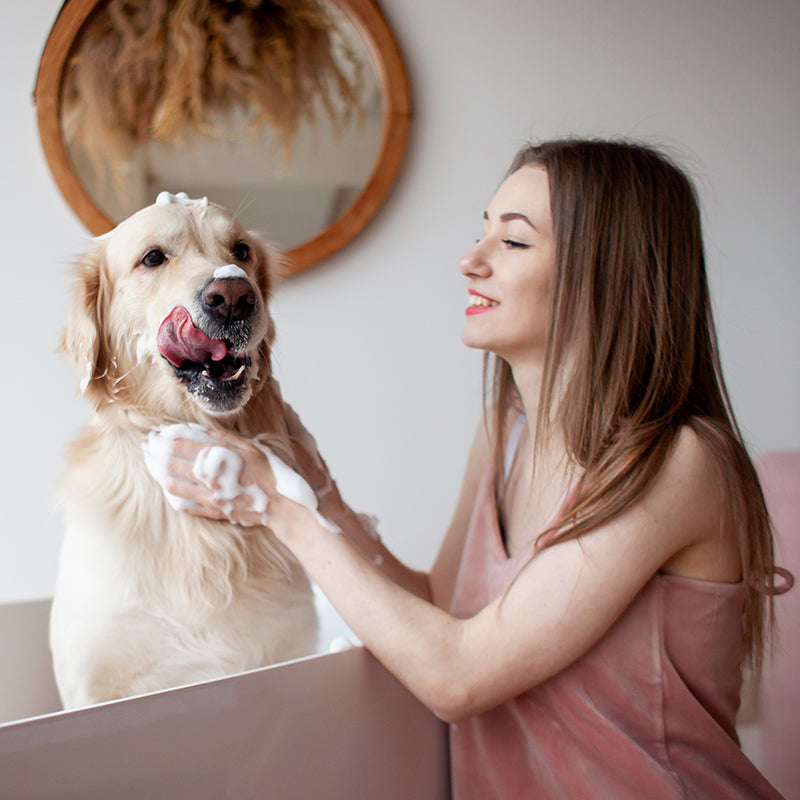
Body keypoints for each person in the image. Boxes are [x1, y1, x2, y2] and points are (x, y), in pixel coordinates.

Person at [157, 138, 790, 798]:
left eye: (513, 243)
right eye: (482, 232)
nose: (471, 261)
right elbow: (440, 609)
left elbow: (456, 676)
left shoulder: (679, 462)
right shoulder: (503, 432)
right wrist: (322, 494)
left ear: (607, 270)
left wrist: (277, 506)